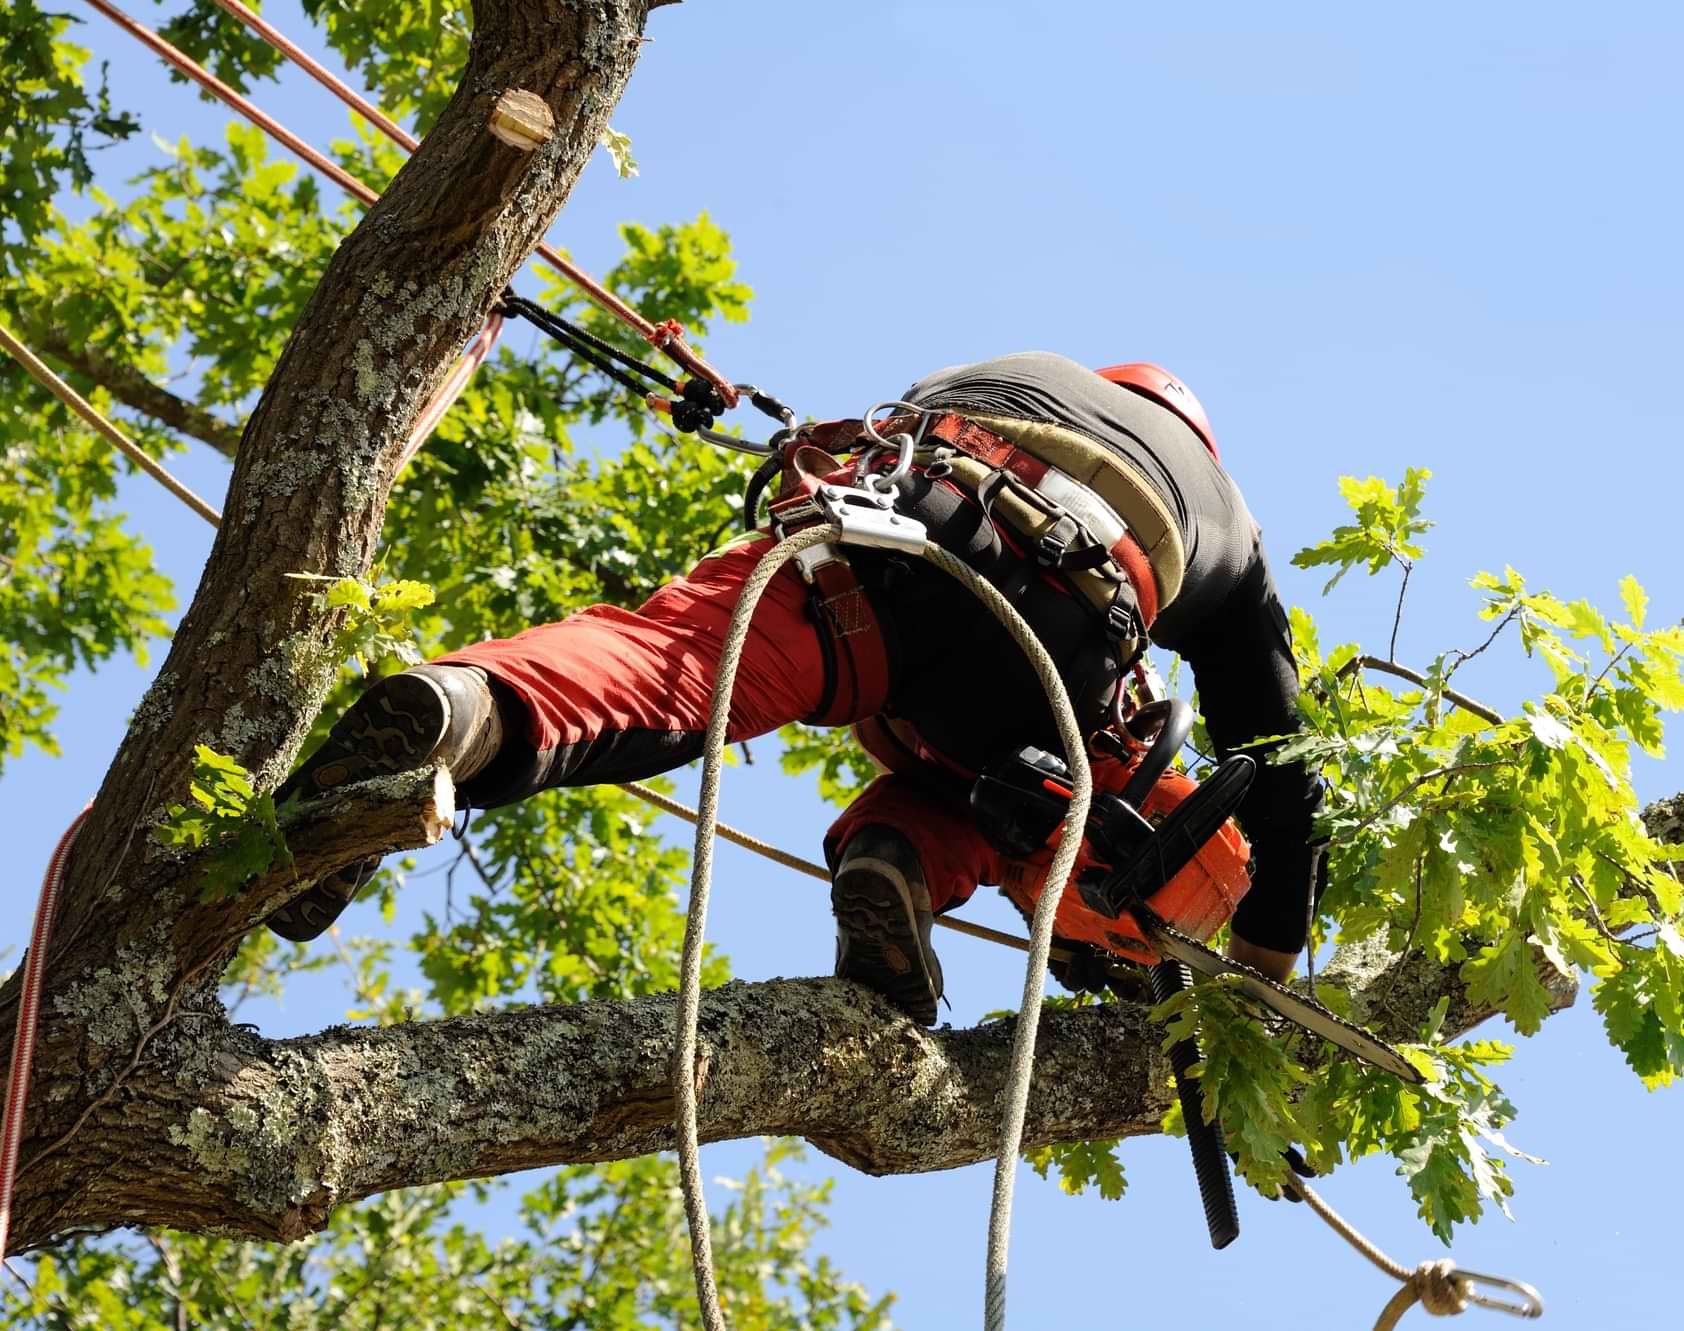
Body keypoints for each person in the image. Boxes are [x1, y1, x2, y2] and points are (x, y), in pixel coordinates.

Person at [269, 353, 1321, 1025]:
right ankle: (897, 861)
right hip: (1063, 635)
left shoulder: (1015, 371)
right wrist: (1266, 960)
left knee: (672, 663)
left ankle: (462, 710)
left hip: (894, 533)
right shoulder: (1224, 515)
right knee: (1038, 794)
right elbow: (1283, 764)